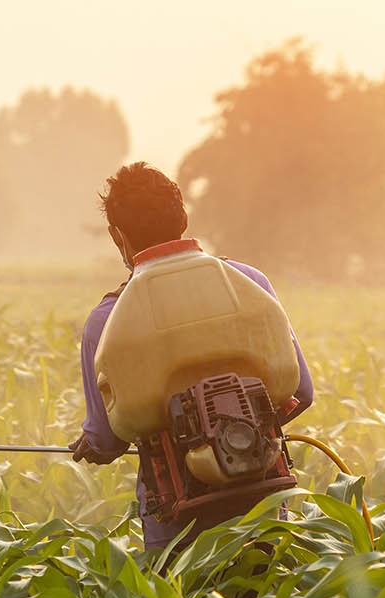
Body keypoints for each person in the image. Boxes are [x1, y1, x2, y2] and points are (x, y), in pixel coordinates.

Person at [69, 162, 314, 552]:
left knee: (180, 594)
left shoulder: (106, 320)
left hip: (177, 527)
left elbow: (106, 437)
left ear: (118, 236)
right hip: (263, 506)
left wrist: (93, 445)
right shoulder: (250, 282)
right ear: (182, 219)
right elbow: (301, 392)